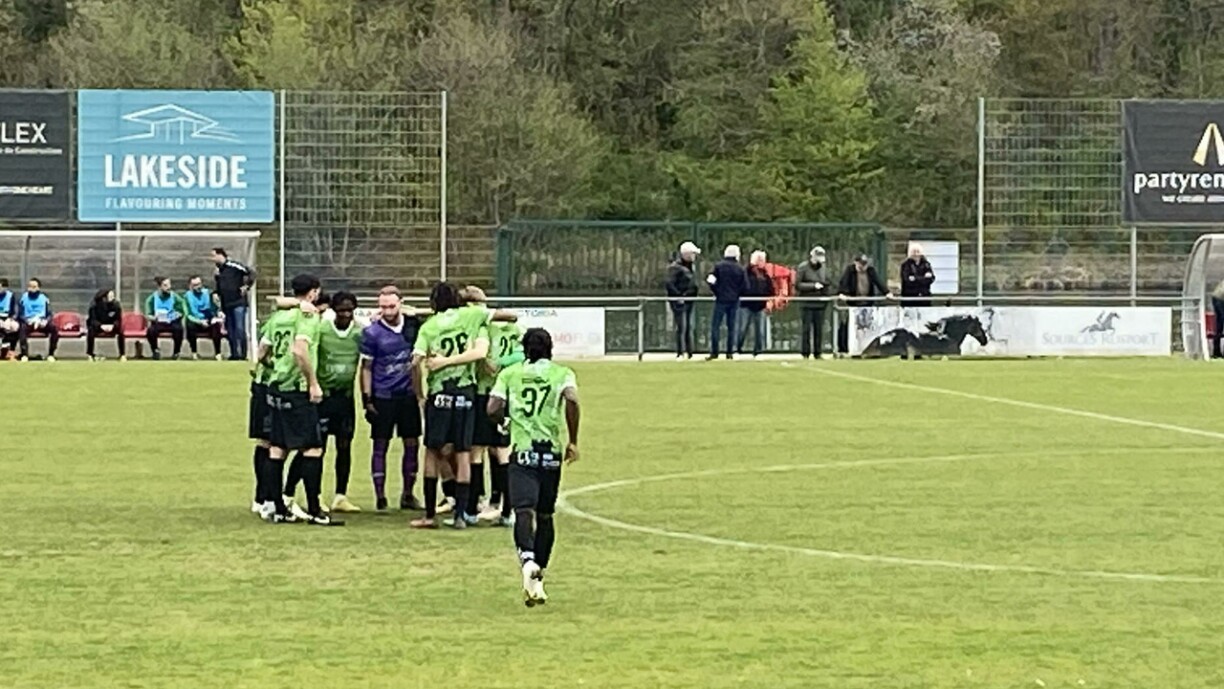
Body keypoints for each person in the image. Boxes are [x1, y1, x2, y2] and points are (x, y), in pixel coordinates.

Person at [487, 328, 580, 607]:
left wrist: (504, 422)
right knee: (546, 515)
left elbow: (492, 408)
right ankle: (539, 575)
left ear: (524, 349)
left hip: (523, 452)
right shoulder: (561, 373)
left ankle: (527, 560)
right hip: (549, 453)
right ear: (550, 348)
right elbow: (572, 399)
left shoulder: (510, 374)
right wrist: (573, 440)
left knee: (523, 510)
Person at [411, 282, 492, 530]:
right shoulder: (472, 315)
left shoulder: (429, 326)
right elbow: (504, 314)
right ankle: (460, 515)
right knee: (463, 452)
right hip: (466, 392)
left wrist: (420, 395)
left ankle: (428, 515)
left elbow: (415, 362)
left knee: (432, 452)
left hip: (439, 394)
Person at [260, 273, 339, 526]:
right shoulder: (307, 316)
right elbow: (299, 349)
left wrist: (277, 368)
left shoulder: (278, 317)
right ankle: (315, 510)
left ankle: (277, 508)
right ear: (314, 292)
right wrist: (313, 383)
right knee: (313, 448)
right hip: (297, 388)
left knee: (277, 448)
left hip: (275, 387)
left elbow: (262, 352)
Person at [285, 291, 363, 514]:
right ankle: (295, 492)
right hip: (323, 398)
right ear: (333, 310)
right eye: (341, 310)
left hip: (345, 398)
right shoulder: (322, 329)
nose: (345, 314)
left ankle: (340, 496)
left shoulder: (360, 332)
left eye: (350, 310)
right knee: (313, 448)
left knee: (344, 446)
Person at [360, 285, 425, 512]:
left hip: (407, 396)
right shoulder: (371, 333)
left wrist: (419, 395)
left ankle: (408, 493)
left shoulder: (412, 328)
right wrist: (367, 399)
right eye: (383, 306)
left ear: (401, 304)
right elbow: (366, 367)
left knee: (412, 443)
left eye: (391, 306)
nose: (387, 311)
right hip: (383, 396)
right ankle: (380, 496)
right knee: (380, 445)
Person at [465, 286, 524, 526]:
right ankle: (506, 509)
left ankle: (473, 505)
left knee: (476, 449)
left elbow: (480, 357)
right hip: (508, 394)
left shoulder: (481, 327)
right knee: (502, 451)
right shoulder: (515, 328)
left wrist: (494, 364)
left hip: (484, 393)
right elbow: (522, 353)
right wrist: (506, 364)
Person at [836, 254, 893, 355]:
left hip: (867, 304)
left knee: (866, 327)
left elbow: (878, 281)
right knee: (847, 326)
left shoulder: (870, 271)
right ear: (856, 263)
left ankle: (865, 348)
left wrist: (886, 292)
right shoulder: (850, 270)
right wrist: (842, 293)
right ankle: (843, 349)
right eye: (861, 264)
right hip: (852, 304)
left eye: (864, 264)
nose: (863, 267)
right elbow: (843, 282)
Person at [212, 247, 254, 360]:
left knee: (239, 328)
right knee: (230, 330)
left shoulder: (234, 266)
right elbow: (219, 286)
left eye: (214, 256)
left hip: (238, 302)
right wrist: (216, 293)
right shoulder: (218, 271)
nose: (213, 259)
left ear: (221, 255)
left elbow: (251, 273)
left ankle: (243, 354)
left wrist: (247, 286)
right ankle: (234, 354)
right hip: (226, 304)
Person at [706, 244, 746, 360]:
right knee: (732, 327)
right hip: (734, 301)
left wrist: (717, 291)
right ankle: (729, 352)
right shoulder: (740, 269)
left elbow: (711, 281)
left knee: (715, 326)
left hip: (720, 300)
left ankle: (714, 352)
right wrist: (737, 293)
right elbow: (745, 286)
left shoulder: (718, 267)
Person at [666, 241, 700, 359]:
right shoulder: (675, 267)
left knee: (688, 326)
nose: (694, 256)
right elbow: (670, 283)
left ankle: (689, 352)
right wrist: (679, 296)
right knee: (681, 326)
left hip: (689, 299)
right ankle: (680, 352)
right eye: (692, 254)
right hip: (680, 300)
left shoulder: (690, 267)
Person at [795, 246, 831, 359]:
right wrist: (813, 286)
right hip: (807, 302)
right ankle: (805, 352)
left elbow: (828, 282)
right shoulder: (803, 267)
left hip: (820, 303)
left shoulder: (823, 268)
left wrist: (826, 291)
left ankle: (818, 352)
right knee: (806, 329)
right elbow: (798, 285)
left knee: (819, 329)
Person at [738, 250, 773, 358]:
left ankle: (759, 350)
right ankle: (737, 348)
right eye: (761, 260)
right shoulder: (746, 272)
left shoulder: (765, 275)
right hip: (746, 304)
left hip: (760, 305)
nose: (763, 262)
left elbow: (770, 288)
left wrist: (768, 300)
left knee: (760, 330)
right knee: (742, 328)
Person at [144, 276, 188, 360]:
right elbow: (148, 315)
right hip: (158, 322)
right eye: (165, 285)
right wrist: (154, 318)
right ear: (159, 287)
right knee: (151, 331)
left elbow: (183, 309)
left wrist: (178, 314)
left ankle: (176, 352)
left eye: (169, 285)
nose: (169, 287)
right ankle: (155, 351)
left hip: (171, 321)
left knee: (179, 329)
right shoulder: (152, 299)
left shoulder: (174, 296)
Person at [184, 275, 224, 360]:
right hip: (196, 321)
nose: (198, 287)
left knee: (216, 326)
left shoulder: (208, 293)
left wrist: (217, 308)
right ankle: (194, 352)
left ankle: (218, 353)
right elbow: (188, 314)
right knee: (189, 325)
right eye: (195, 285)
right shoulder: (187, 296)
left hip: (208, 319)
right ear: (190, 286)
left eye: (199, 284)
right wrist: (199, 322)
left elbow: (215, 308)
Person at [17, 278, 58, 362]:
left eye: (34, 286)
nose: (31, 288)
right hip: (29, 321)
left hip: (41, 321)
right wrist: (27, 320)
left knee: (54, 328)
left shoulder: (44, 298)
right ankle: (24, 355)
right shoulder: (23, 298)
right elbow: (20, 314)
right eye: (30, 286)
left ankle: (51, 354)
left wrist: (45, 321)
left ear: (38, 288)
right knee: (22, 329)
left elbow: (49, 313)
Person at [86, 288, 126, 361]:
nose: (112, 298)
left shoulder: (116, 305)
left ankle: (122, 354)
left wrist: (113, 326)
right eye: (110, 296)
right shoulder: (94, 306)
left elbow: (118, 319)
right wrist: (101, 326)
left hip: (111, 326)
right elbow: (92, 320)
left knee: (121, 331)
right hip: (98, 326)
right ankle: (90, 354)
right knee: (90, 331)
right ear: (104, 297)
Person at [0, 279, 19, 359]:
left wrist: (10, 318)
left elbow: (15, 311)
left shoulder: (11, 295)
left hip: (8, 317)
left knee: (15, 326)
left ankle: (11, 349)